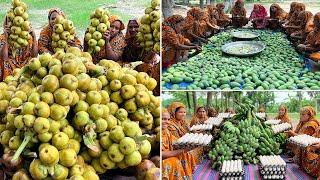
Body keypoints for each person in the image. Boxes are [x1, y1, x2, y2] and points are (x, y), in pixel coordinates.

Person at [167, 102, 204, 171]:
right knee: (189, 152)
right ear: (173, 113)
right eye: (180, 112)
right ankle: (187, 169)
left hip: (186, 142)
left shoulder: (183, 121)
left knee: (199, 146)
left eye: (184, 112)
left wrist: (198, 133)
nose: (183, 114)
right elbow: (176, 141)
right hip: (176, 146)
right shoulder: (170, 125)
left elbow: (190, 131)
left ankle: (193, 165)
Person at [0, 16, 38, 80]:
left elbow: (34, 55)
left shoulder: (27, 37)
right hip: (10, 66)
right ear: (6, 24)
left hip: (24, 65)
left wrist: (34, 36)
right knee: (2, 62)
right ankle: (7, 80)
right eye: (10, 21)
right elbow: (4, 57)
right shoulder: (2, 37)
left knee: (34, 62)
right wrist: (6, 38)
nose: (13, 24)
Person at [162, 109, 193, 180]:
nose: (167, 122)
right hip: (162, 159)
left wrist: (188, 144)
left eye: (168, 119)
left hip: (169, 152)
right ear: (174, 113)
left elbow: (175, 140)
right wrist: (182, 150)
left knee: (185, 153)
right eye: (163, 119)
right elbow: (162, 154)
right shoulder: (169, 128)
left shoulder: (166, 131)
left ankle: (186, 177)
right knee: (174, 161)